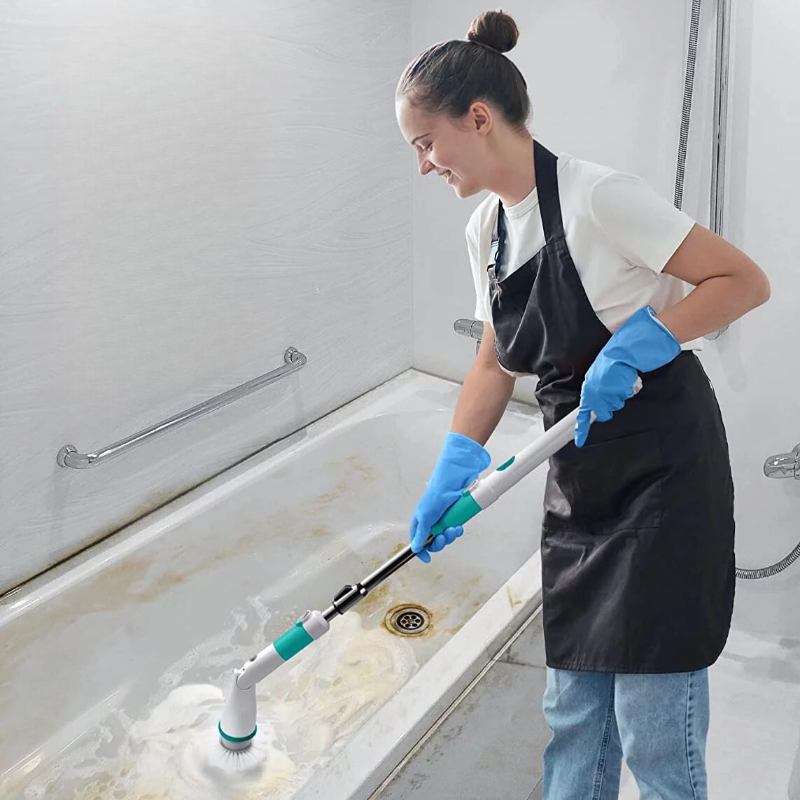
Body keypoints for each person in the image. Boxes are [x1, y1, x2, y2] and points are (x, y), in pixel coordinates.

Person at [396, 9, 770, 800]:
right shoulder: (485, 228)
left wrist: (647, 341)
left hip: (664, 468)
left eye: (426, 142)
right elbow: (496, 356)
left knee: (654, 724)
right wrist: (454, 466)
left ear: (479, 118)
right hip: (580, 469)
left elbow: (742, 280)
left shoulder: (600, 197)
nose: (424, 164)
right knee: (572, 712)